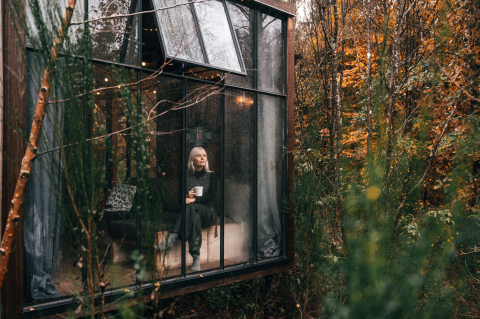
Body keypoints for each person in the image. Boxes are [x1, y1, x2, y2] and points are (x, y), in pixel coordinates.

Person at [155, 147, 217, 272]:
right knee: (193, 213)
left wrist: (193, 200)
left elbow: (211, 196)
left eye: (204, 155)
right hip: (193, 212)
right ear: (192, 159)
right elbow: (180, 199)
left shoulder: (212, 175)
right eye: (198, 155)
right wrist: (186, 196)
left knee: (192, 207)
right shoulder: (185, 176)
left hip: (208, 213)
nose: (202, 158)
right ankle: (196, 258)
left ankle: (172, 238)